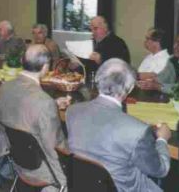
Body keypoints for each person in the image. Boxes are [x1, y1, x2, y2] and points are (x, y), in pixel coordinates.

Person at [66, 58, 171, 192]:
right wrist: (162, 139)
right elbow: (160, 170)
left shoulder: (72, 111)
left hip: (82, 185)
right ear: (131, 88)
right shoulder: (137, 130)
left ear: (98, 80)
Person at [0, 44, 70, 190]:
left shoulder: (5, 87)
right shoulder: (44, 102)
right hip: (43, 170)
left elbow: (21, 111)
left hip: (17, 162)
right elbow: (55, 147)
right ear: (45, 67)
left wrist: (53, 105)